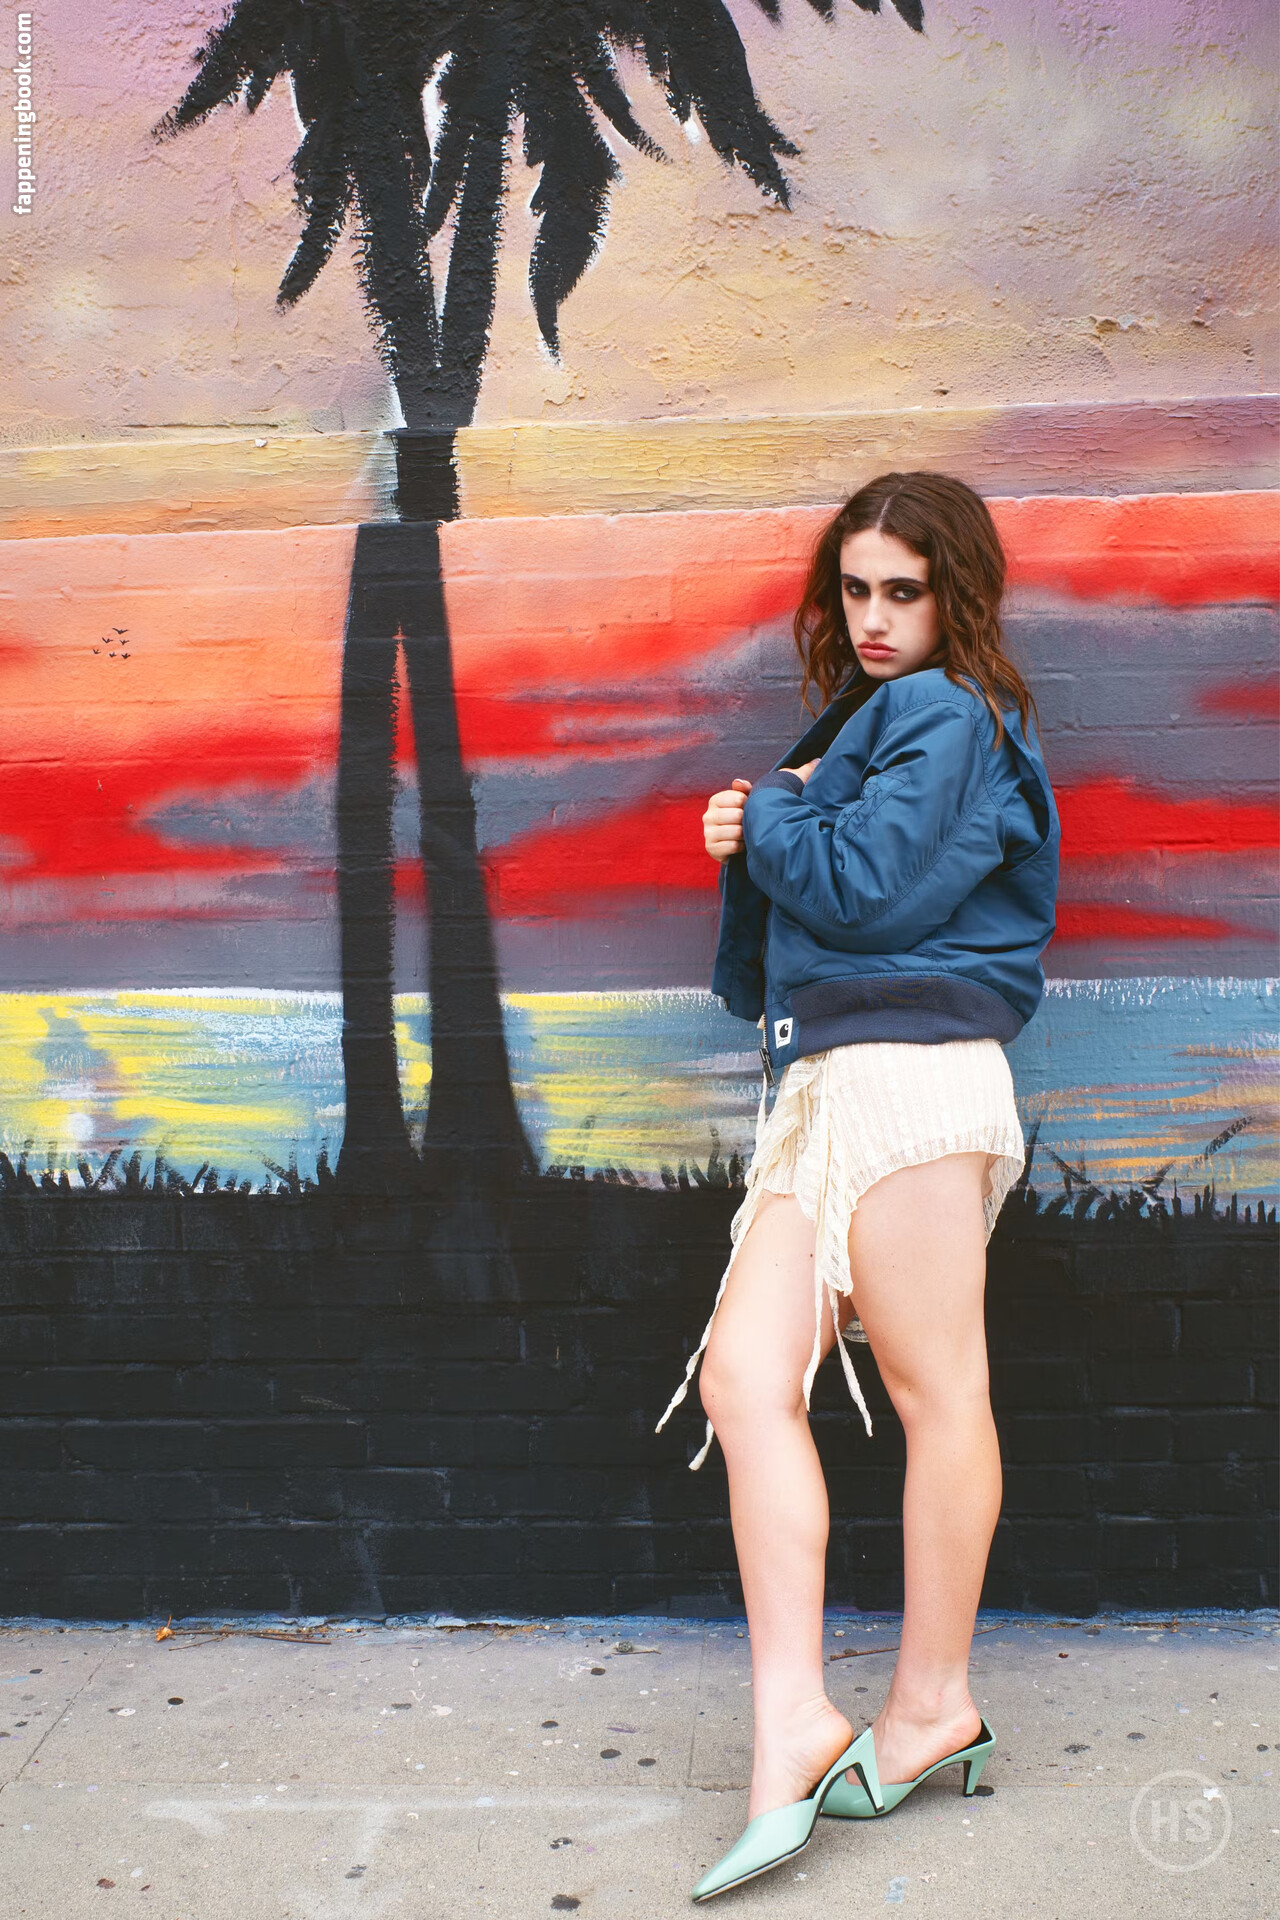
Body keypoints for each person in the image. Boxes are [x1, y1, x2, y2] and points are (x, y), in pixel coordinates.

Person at [656, 471, 1060, 1902]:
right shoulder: (880, 719)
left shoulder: (945, 713)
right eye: (856, 589)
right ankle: (796, 1721)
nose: (877, 617)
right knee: (741, 1377)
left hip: (915, 1077)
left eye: (907, 590)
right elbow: (838, 886)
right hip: (840, 1082)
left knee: (938, 1394)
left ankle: (932, 1703)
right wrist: (769, 827)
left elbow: (873, 891)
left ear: (958, 596)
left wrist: (764, 814)